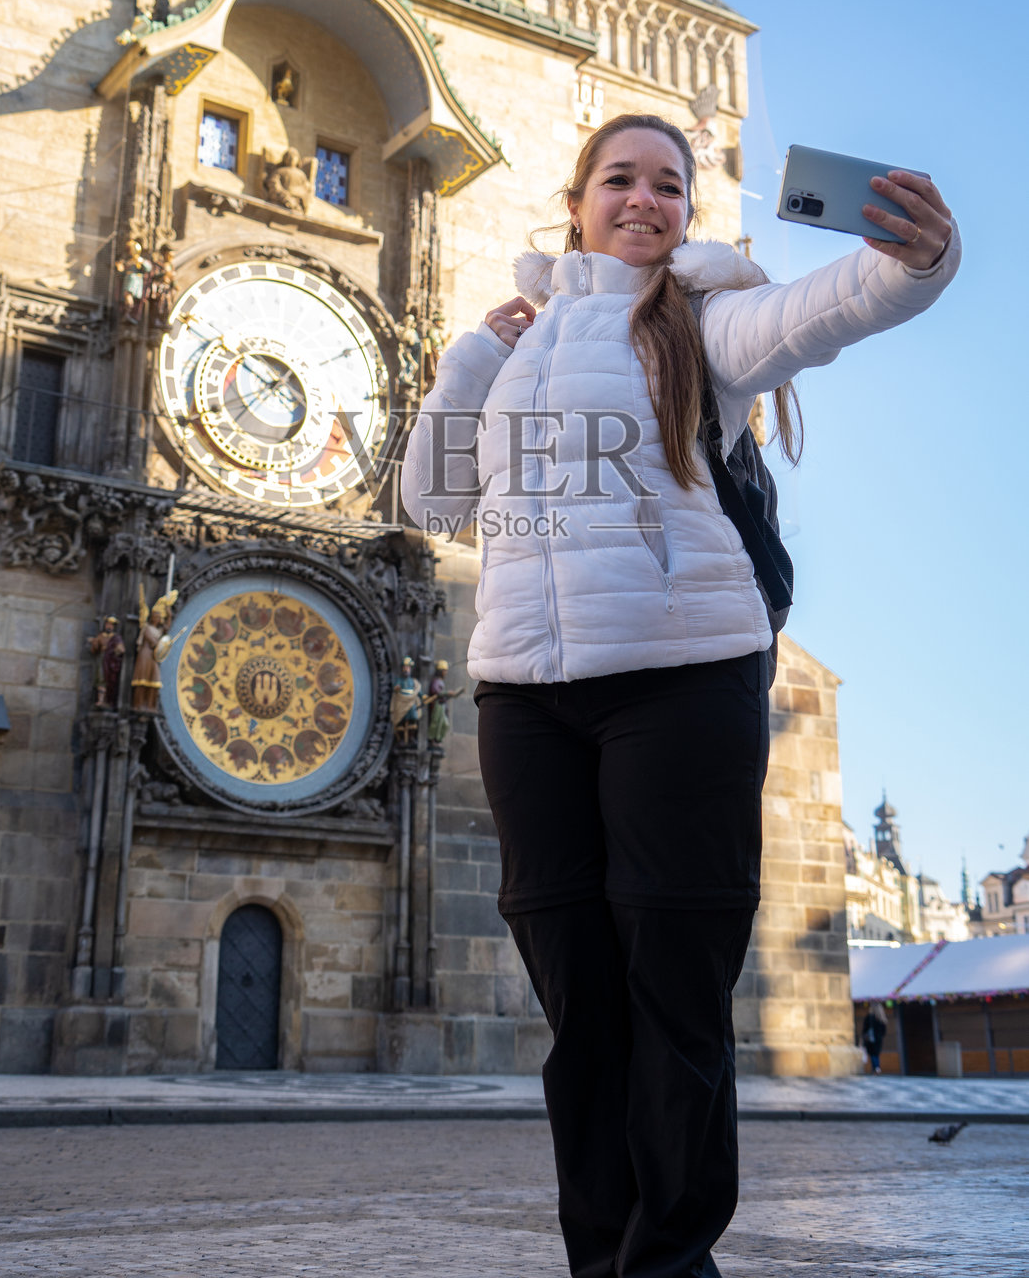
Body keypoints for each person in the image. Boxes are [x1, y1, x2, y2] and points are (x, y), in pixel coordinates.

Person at [401, 113, 959, 1278]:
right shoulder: (516, 350)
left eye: (669, 184)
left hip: (679, 681)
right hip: (525, 696)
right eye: (620, 179)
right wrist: (470, 359)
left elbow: (831, 306)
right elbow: (433, 502)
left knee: (675, 995)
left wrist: (915, 260)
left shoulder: (705, 320)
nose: (644, 200)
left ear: (685, 213)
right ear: (576, 201)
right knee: (582, 1010)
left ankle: (666, 1267)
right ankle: (601, 1262)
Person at [862, 1000, 888, 1074]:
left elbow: (865, 1028)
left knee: (873, 1054)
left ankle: (875, 1067)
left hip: (871, 1038)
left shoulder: (870, 1017)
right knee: (876, 1054)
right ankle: (877, 1067)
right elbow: (884, 1031)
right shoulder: (881, 1018)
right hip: (878, 1039)